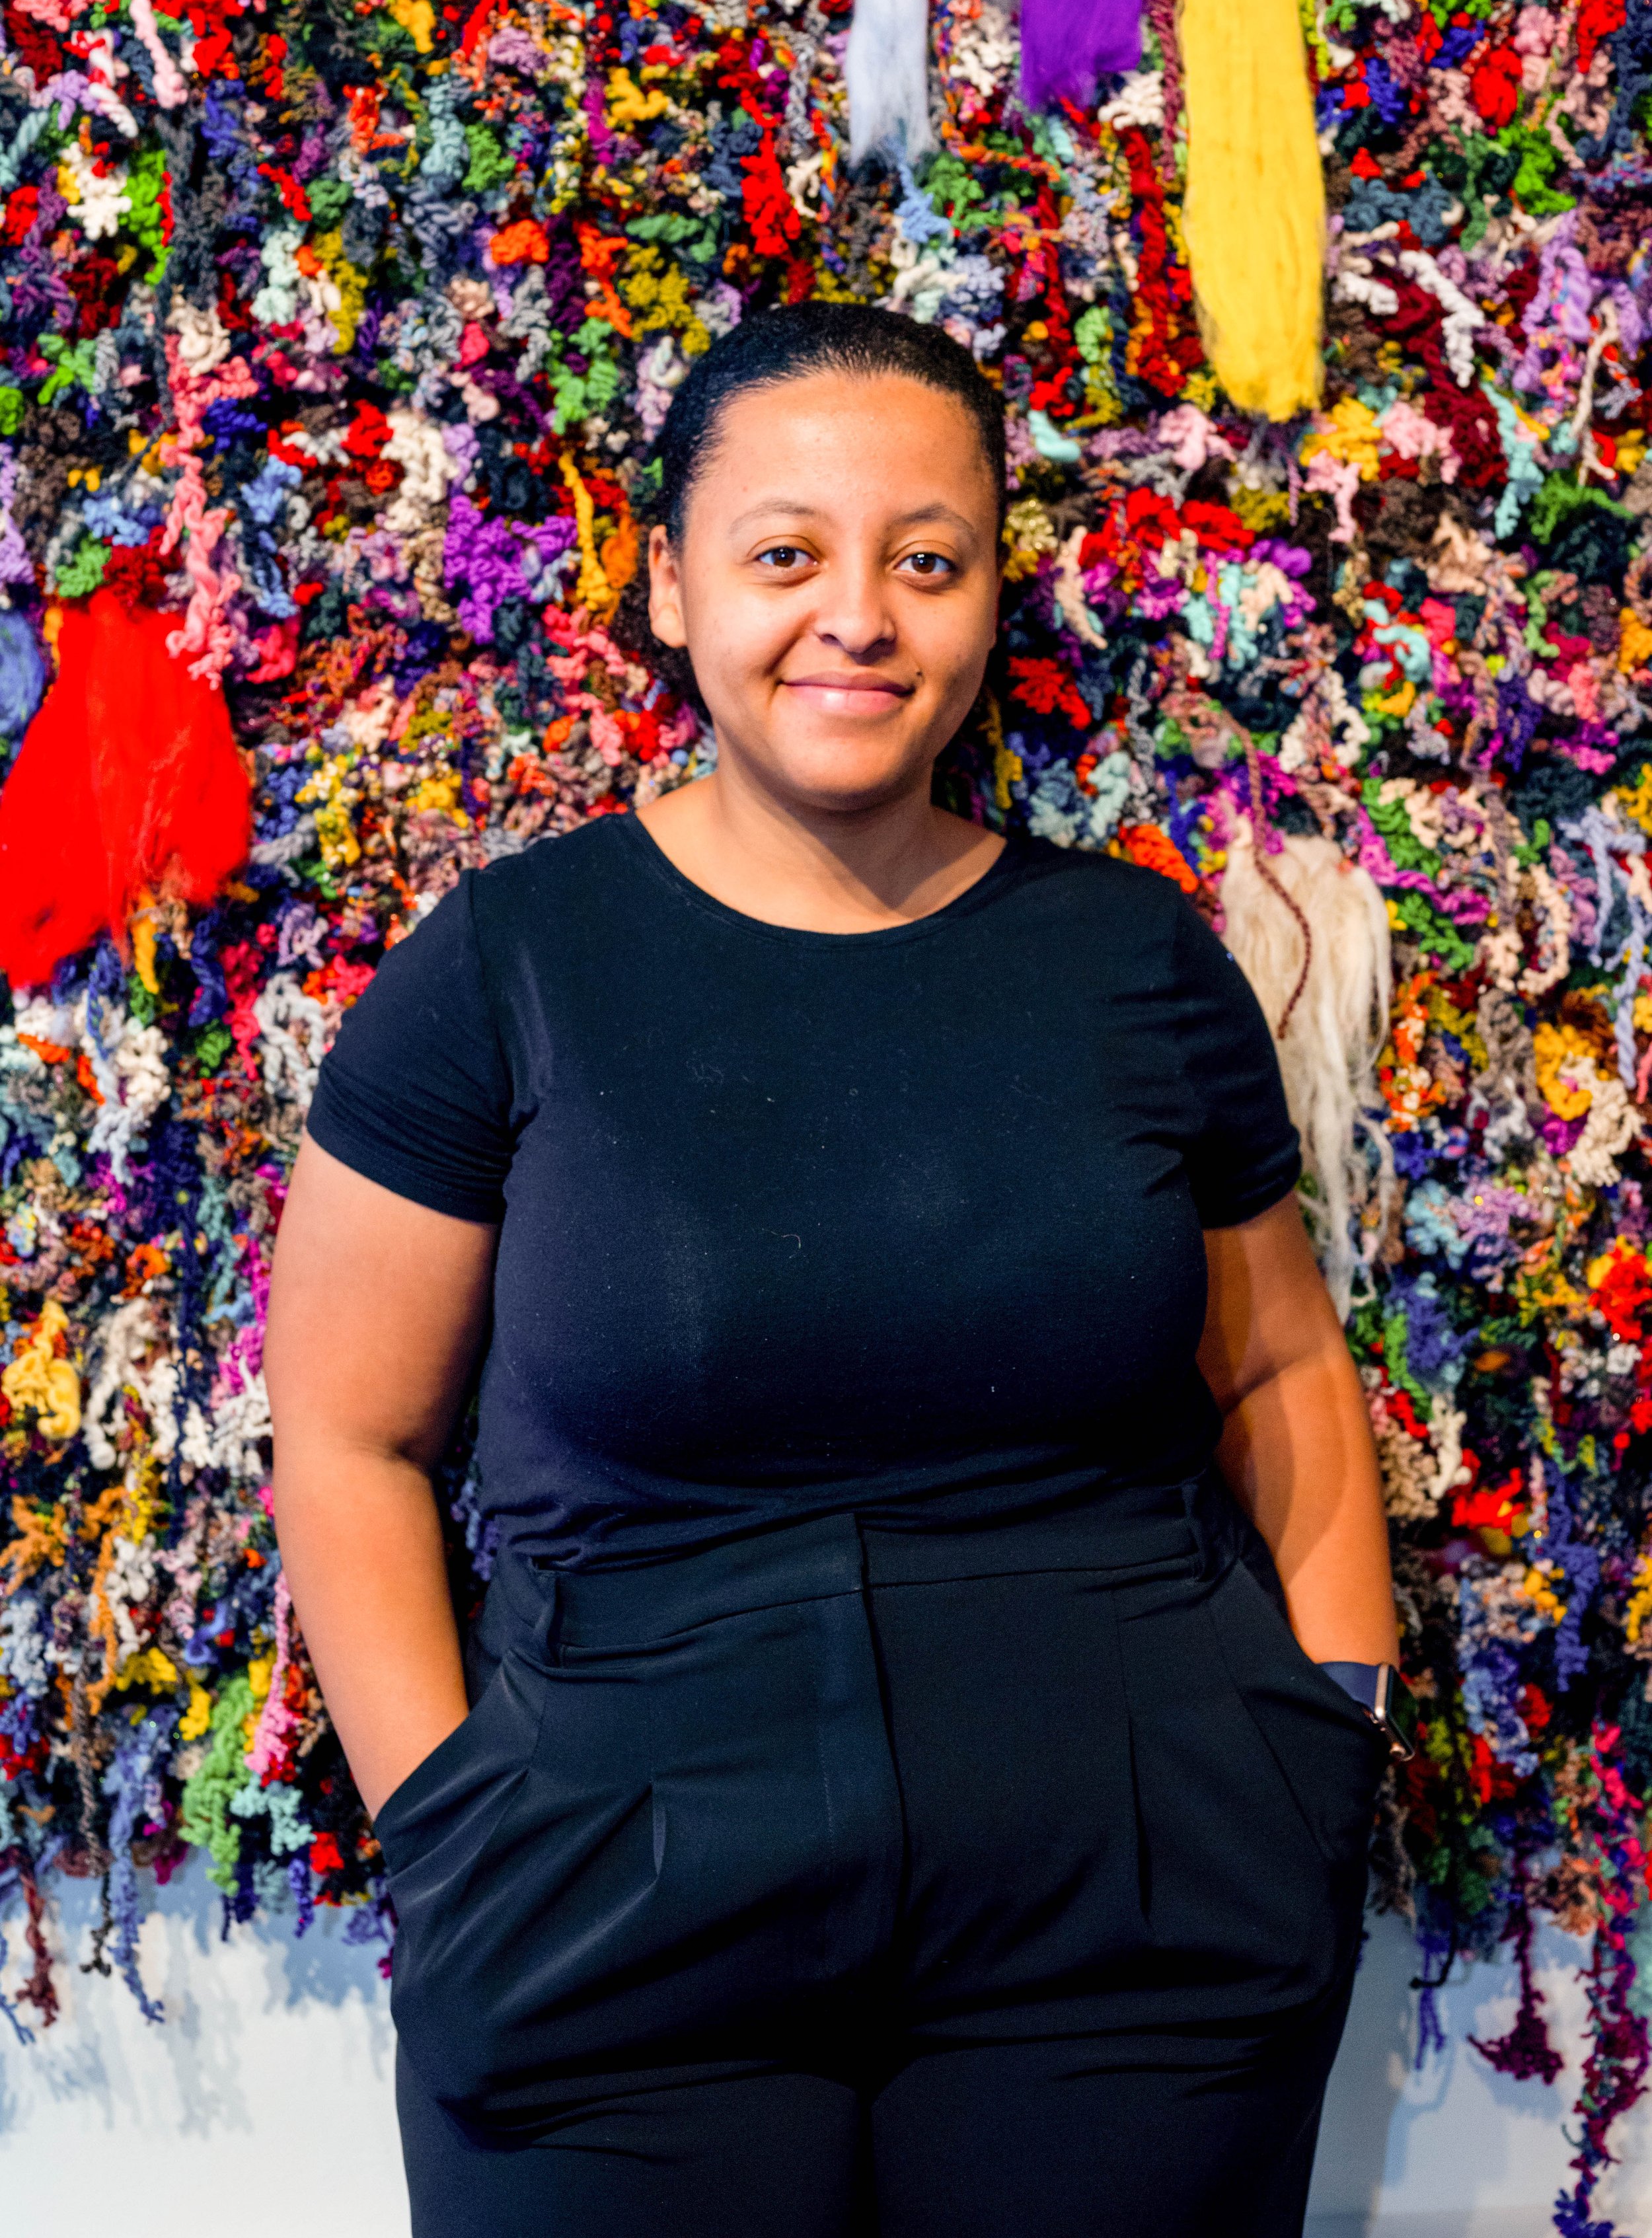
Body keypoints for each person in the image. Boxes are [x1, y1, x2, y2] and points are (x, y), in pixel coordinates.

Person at [265, 303, 1405, 2238]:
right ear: (670, 586)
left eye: (926, 560)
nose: (857, 617)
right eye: (786, 552)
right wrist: (451, 1827)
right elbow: (347, 1434)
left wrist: (1329, 1736)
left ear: (988, 598)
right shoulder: (506, 968)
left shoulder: (1129, 960)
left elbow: (1282, 1365)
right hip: (605, 1898)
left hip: (1142, 1894)